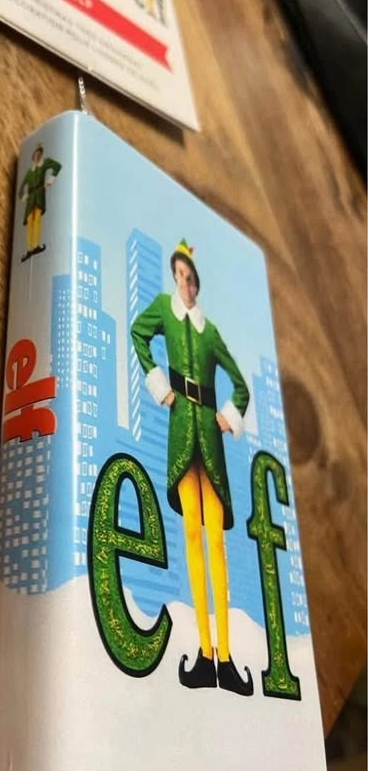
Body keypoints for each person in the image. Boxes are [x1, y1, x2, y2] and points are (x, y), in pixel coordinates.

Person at [130, 239, 254, 695]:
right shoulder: (164, 310)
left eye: (189, 276)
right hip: (182, 431)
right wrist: (159, 385)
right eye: (178, 275)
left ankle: (226, 658)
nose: (184, 282)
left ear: (197, 282)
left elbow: (240, 386)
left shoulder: (210, 331)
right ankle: (204, 653)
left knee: (216, 541)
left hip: (210, 440)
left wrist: (227, 416)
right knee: (192, 536)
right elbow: (138, 334)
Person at [18, 144, 62, 262]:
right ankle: (30, 248)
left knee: (37, 219)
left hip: (39, 194)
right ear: (33, 156)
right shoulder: (30, 172)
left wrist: (51, 179)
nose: (37, 156)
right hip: (31, 198)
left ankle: (36, 245)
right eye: (36, 154)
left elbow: (57, 166)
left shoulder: (44, 164)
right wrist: (24, 196)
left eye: (39, 154)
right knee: (30, 221)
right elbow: (21, 189)